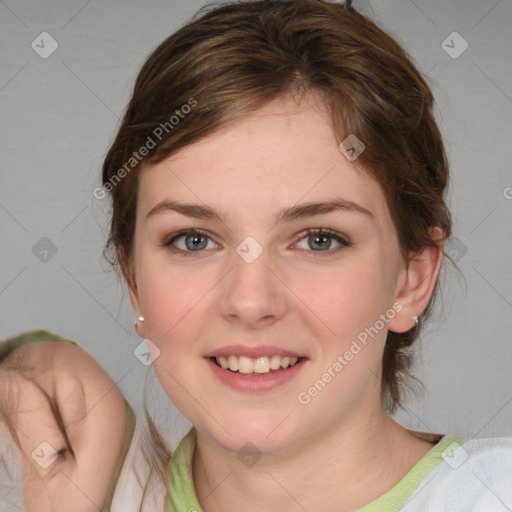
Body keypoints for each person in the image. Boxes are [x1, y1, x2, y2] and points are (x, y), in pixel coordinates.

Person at [1, 1, 511, 511]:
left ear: (410, 280)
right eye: (194, 240)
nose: (250, 302)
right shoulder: (61, 489)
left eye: (319, 239)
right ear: (135, 279)